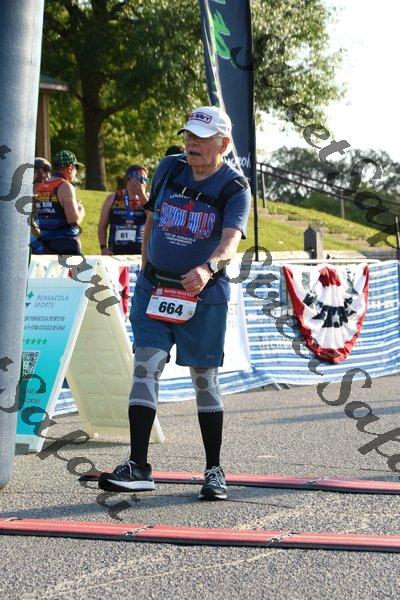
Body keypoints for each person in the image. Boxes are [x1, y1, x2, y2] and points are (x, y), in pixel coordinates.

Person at [98, 106, 251, 501]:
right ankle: (138, 465)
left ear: (224, 143)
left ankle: (214, 469)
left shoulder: (235, 187)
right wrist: (145, 265)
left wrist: (207, 268)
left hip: (203, 294)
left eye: (201, 138)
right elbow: (152, 218)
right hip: (155, 288)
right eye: (189, 136)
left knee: (204, 379)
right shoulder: (169, 167)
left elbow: (230, 242)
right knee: (145, 365)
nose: (192, 144)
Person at [30, 149, 85, 255]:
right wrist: (80, 211)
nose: (76, 172)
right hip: (66, 245)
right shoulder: (65, 186)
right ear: (70, 168)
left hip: (45, 245)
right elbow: (73, 221)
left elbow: (30, 219)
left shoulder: (39, 188)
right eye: (76, 168)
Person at [98, 164, 149, 256]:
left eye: (146, 180)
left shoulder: (147, 200)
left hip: (140, 254)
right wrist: (103, 247)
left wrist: (142, 195)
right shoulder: (113, 198)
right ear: (129, 178)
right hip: (115, 253)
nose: (143, 183)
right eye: (141, 179)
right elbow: (102, 225)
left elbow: (154, 220)